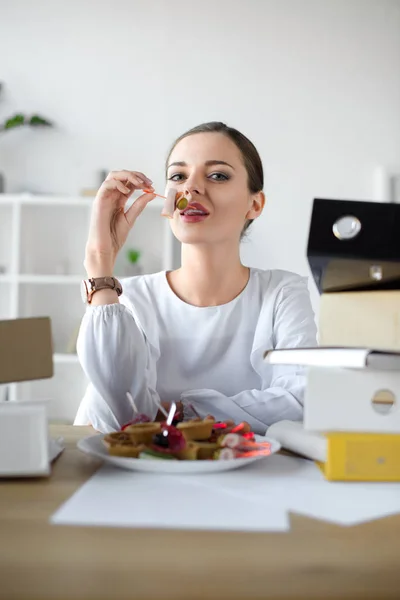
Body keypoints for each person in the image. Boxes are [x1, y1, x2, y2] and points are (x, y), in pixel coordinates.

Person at [74, 121, 317, 434]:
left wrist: (177, 413)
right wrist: (99, 260)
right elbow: (117, 419)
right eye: (178, 176)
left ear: (254, 204)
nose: (190, 188)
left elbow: (299, 403)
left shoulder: (282, 293)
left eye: (217, 175)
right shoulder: (127, 299)